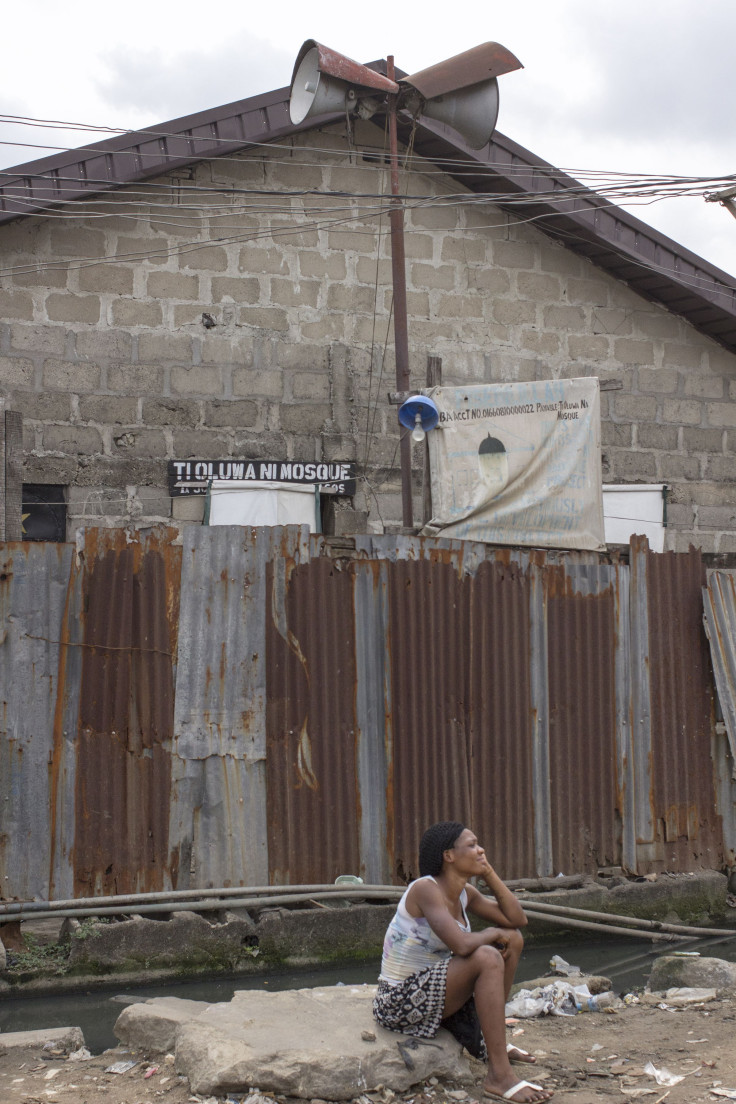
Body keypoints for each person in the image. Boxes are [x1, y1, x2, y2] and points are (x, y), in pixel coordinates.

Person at [373, 821, 552, 1104]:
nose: (481, 850)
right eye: (472, 845)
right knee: (487, 954)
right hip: (398, 1001)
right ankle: (499, 1076)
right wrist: (492, 933)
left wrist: (489, 872)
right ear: (449, 855)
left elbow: (518, 920)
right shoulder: (425, 889)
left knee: (513, 939)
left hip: (435, 994)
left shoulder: (466, 893)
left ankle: (494, 1043)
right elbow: (461, 944)